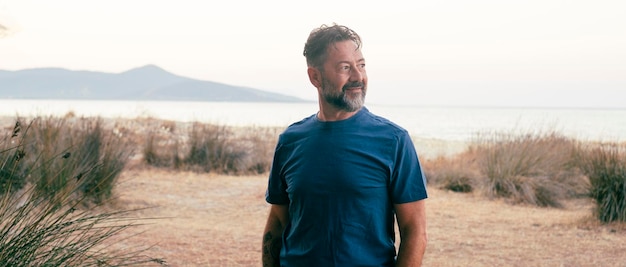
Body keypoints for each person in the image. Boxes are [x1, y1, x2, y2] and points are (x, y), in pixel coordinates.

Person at [262, 23, 428, 267]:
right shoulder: (290, 141)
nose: (358, 76)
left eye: (361, 65)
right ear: (315, 76)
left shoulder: (393, 141)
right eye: (345, 67)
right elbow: (277, 221)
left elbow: (415, 231)